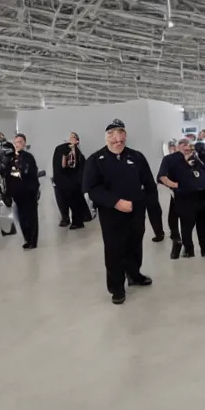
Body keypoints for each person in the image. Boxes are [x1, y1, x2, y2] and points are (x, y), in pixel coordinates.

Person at [83, 119, 156, 305]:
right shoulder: (96, 160)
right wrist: (116, 202)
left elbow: (149, 184)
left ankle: (134, 275)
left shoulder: (137, 157)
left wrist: (152, 207)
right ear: (106, 137)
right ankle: (116, 288)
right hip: (111, 214)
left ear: (125, 136)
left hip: (136, 211)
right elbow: (92, 189)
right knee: (115, 250)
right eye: (112, 135)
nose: (117, 139)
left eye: (121, 134)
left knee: (135, 244)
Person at [158, 138, 205, 258]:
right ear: (177, 146)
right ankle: (189, 250)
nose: (186, 146)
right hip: (183, 198)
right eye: (183, 143)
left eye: (189, 144)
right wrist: (176, 185)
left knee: (202, 224)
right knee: (186, 225)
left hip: (201, 197)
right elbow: (162, 176)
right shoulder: (170, 159)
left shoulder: (198, 158)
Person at [4, 134, 41, 249]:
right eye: (16, 142)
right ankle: (26, 239)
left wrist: (34, 190)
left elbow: (31, 174)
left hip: (29, 193)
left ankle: (32, 241)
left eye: (20, 142)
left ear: (24, 143)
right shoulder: (11, 159)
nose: (17, 144)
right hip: (17, 194)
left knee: (31, 217)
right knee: (21, 217)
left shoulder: (29, 157)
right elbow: (8, 177)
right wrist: (8, 194)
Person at [51, 132, 89, 229]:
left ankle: (77, 221)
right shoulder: (60, 149)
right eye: (69, 137)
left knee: (75, 202)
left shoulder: (79, 155)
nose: (70, 138)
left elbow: (80, 168)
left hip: (73, 183)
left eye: (73, 137)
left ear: (77, 141)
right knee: (62, 201)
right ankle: (65, 218)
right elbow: (59, 165)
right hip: (61, 182)